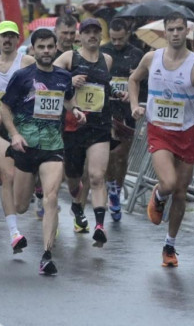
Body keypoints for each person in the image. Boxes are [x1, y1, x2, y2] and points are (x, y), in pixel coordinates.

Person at [128, 12, 194, 267]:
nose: (176, 33)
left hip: (187, 132)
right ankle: (158, 194)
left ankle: (170, 246)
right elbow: (133, 80)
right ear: (164, 32)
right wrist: (135, 106)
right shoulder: (151, 58)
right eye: (172, 29)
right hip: (159, 130)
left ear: (186, 32)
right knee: (168, 183)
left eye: (180, 29)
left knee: (180, 192)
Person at [0, 28, 84, 275]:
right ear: (33, 49)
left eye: (50, 47)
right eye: (41, 47)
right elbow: (5, 107)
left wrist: (75, 110)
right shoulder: (22, 76)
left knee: (51, 198)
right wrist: (14, 134)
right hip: (26, 145)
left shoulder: (63, 76)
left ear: (56, 47)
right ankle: (28, 194)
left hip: (52, 145)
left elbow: (66, 98)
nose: (46, 51)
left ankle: (47, 255)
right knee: (22, 205)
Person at [55, 17, 113, 245]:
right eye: (87, 32)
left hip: (99, 126)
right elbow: (48, 79)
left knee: (97, 176)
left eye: (95, 32)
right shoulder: (69, 57)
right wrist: (70, 80)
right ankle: (77, 203)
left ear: (100, 35)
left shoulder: (107, 60)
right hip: (72, 126)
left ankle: (99, 225)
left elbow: (105, 90)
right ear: (80, 35)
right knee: (73, 178)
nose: (91, 36)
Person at [0, 20, 35, 251]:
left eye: (11, 36)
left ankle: (39, 204)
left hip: (26, 128)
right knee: (7, 176)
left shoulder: (27, 62)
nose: (6, 40)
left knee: (22, 199)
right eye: (2, 36)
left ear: (18, 40)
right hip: (0, 130)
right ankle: (14, 232)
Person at [101, 18, 145, 222]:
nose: (117, 43)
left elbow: (144, 83)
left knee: (122, 154)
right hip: (107, 110)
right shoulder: (103, 51)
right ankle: (110, 185)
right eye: (113, 38)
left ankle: (117, 190)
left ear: (128, 34)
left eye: (120, 39)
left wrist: (134, 91)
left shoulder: (137, 54)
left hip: (128, 111)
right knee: (110, 153)